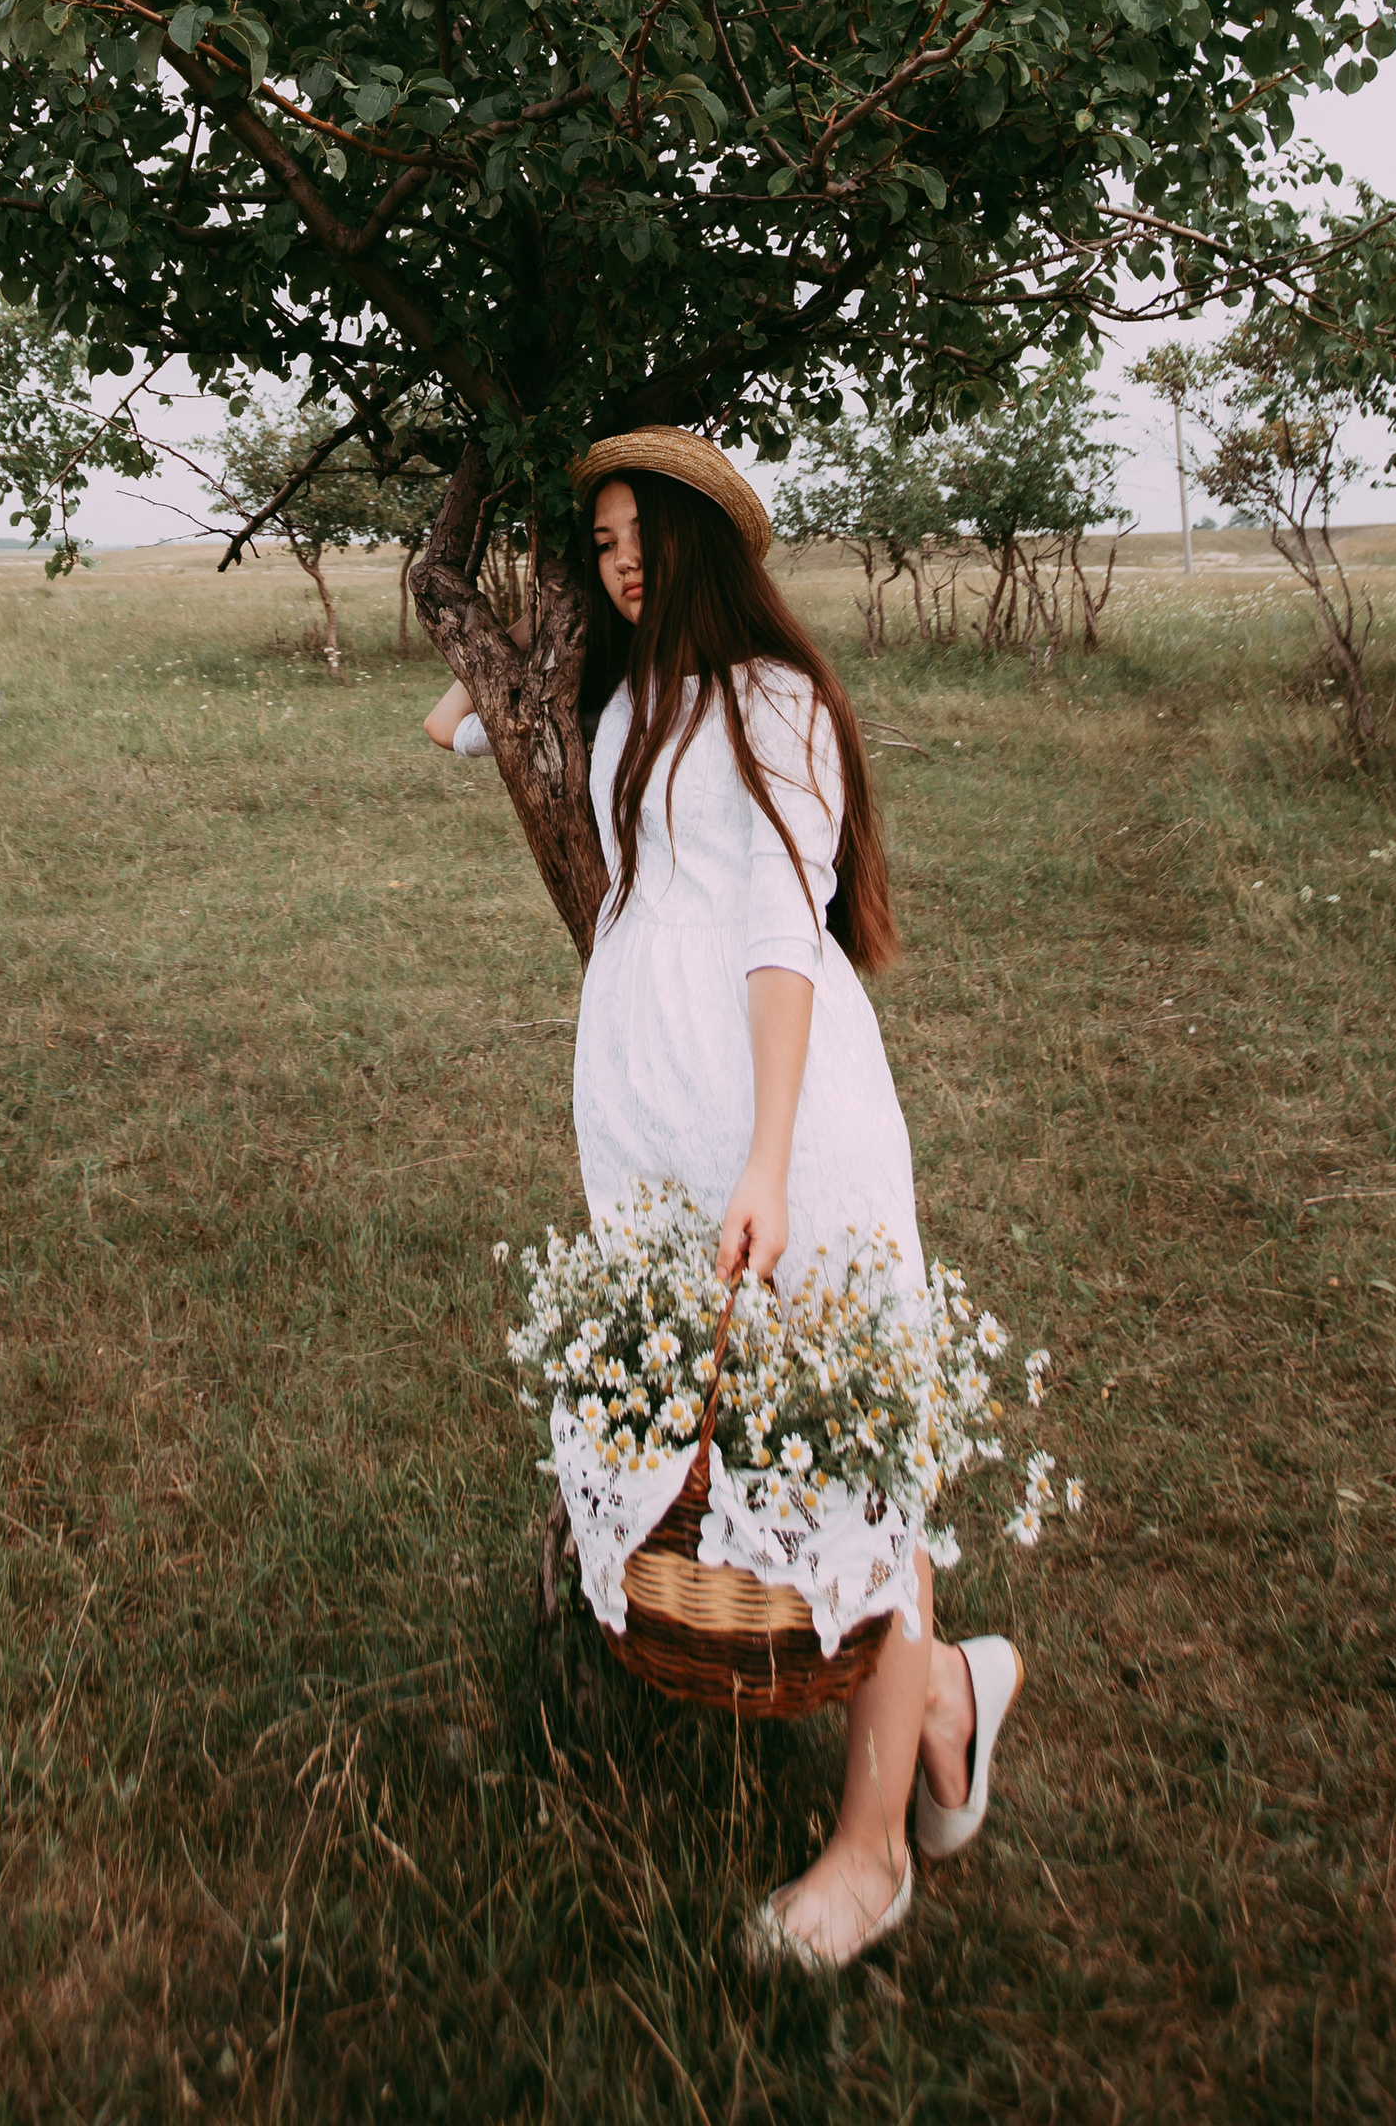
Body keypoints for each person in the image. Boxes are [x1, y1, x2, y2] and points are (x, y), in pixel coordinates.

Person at [423, 425, 1024, 1969]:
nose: (622, 564)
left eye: (642, 540)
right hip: (656, 1138)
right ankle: (951, 1695)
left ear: (704, 547)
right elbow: (460, 727)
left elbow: (775, 930)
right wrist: (495, 666)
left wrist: (766, 1154)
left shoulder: (775, 706)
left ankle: (871, 1852)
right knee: (732, 1433)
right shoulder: (632, 708)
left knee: (848, 1457)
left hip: (783, 1129)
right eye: (603, 542)